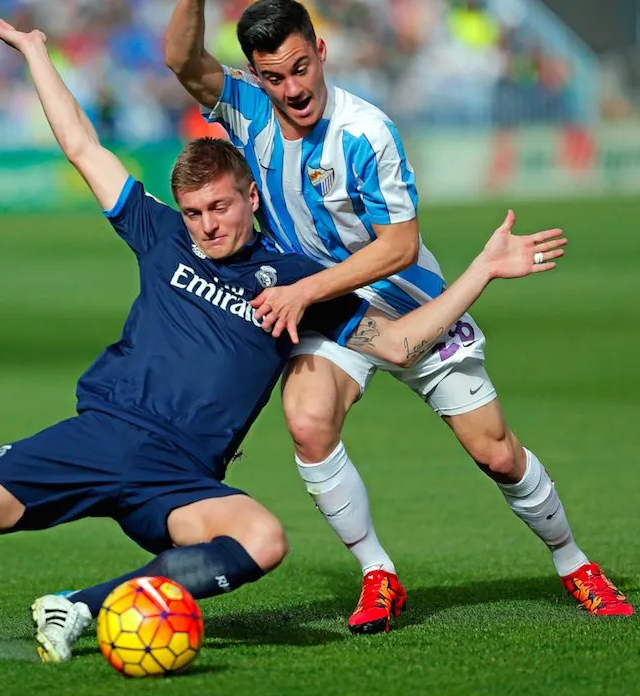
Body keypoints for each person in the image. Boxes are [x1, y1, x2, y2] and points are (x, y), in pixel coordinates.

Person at [0, 14, 567, 666]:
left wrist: (481, 271)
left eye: (219, 209)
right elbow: (81, 145)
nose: (205, 225)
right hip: (95, 438)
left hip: (180, 480)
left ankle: (81, 606)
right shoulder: (159, 233)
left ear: (249, 199)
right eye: (194, 212)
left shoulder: (297, 285)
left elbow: (403, 344)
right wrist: (37, 56)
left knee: (263, 539)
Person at [163, 0, 632, 633]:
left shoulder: (366, 132)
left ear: (320, 51)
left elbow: (399, 247)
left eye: (300, 68)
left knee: (496, 454)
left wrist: (305, 290)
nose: (293, 89)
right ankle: (378, 572)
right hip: (330, 311)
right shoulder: (246, 109)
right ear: (255, 74)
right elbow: (180, 58)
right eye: (274, 77)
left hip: (408, 302)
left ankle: (574, 562)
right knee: (307, 422)